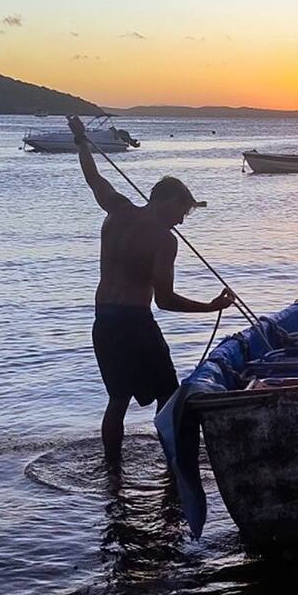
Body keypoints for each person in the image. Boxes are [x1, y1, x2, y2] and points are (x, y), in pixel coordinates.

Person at [68, 115, 233, 464]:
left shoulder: (117, 210)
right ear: (167, 201)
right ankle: (175, 465)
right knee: (170, 395)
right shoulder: (164, 240)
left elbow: (93, 179)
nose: (182, 220)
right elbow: (165, 300)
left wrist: (81, 141)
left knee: (118, 399)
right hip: (134, 324)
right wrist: (212, 306)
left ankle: (113, 471)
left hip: (104, 322)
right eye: (181, 211)